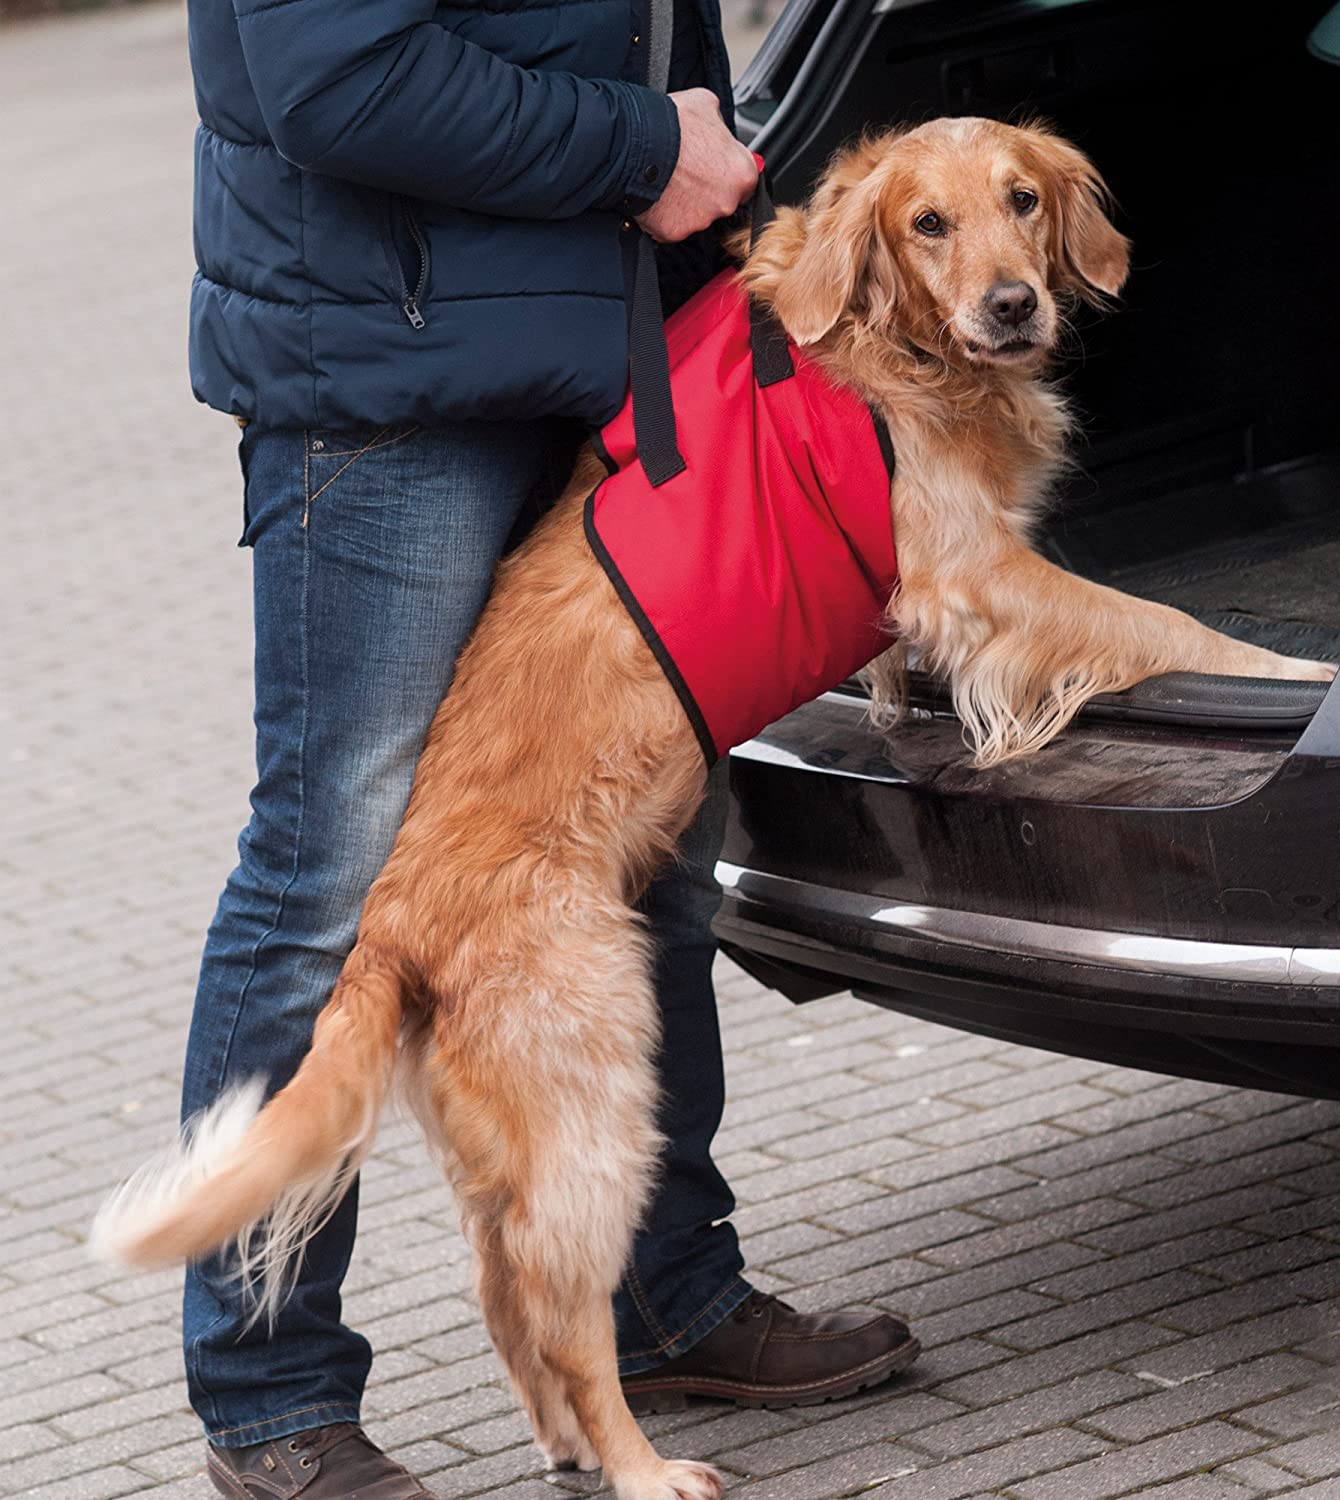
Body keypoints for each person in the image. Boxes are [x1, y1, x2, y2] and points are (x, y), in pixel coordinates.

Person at [178, 0, 917, 1493]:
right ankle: (272, 1402)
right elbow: (339, 77)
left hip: (609, 351)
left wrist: (720, 245)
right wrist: (652, 152)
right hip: (388, 378)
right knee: (328, 874)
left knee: (648, 852)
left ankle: (664, 1300)